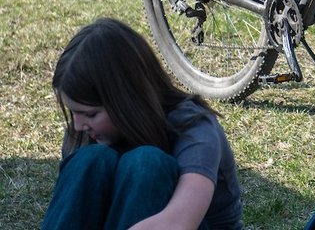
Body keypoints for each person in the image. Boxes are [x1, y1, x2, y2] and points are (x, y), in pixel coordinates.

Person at [42, 18, 244, 230]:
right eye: (74, 112)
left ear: (127, 101)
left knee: (148, 162)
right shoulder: (85, 134)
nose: (78, 125)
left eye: (90, 114)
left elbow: (179, 223)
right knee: (91, 159)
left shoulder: (193, 127)